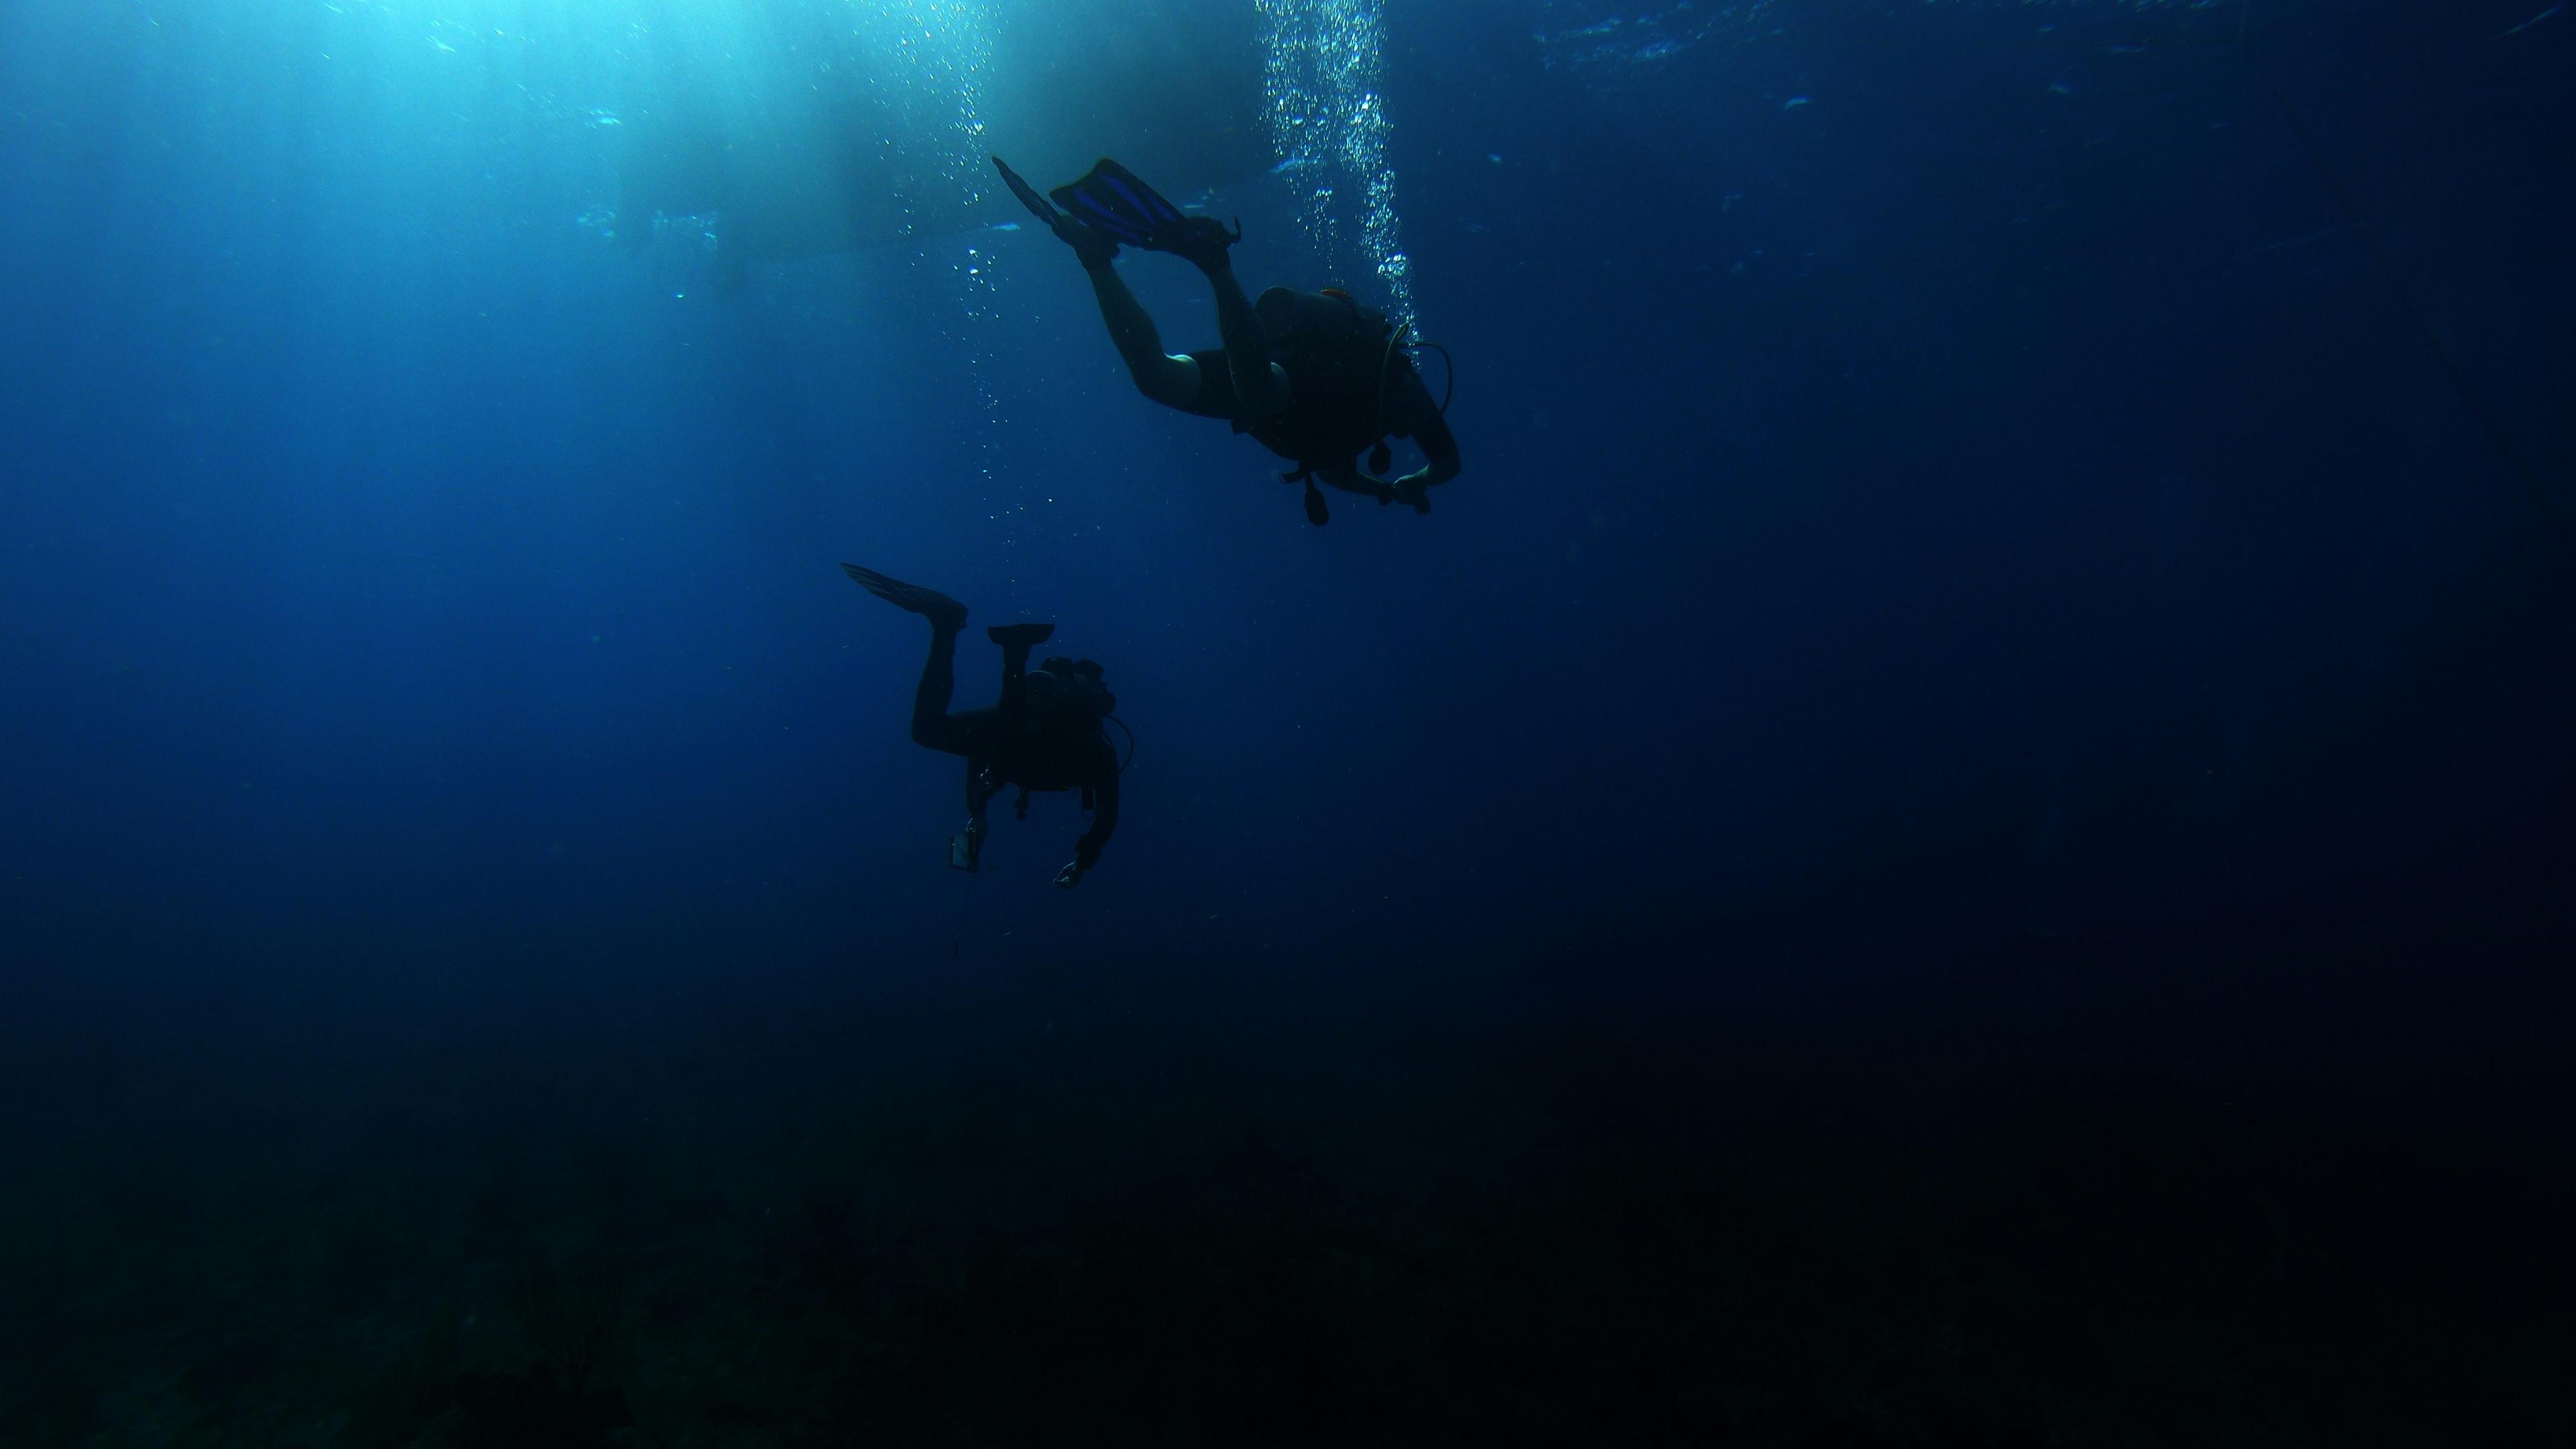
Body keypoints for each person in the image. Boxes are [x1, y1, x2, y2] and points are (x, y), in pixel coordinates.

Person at [991, 155, 1460, 527]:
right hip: (1288, 379)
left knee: (1158, 379)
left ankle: (1096, 260)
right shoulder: (1400, 386)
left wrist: (1391, 489)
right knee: (1260, 395)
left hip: (1269, 378)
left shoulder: (1343, 444)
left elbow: (1338, 472)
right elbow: (1448, 465)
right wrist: (1415, 480)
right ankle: (1215, 262)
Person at [843, 564, 1120, 888]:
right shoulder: (1096, 753)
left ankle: (957, 631)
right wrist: (1082, 863)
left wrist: (978, 810)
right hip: (1019, 738)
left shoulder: (1090, 752)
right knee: (965, 734)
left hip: (1011, 731)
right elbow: (1107, 817)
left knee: (931, 731)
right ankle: (993, 646)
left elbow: (985, 752)